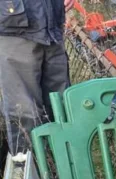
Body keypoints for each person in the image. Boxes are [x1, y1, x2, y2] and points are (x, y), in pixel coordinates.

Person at [0, 0, 75, 155]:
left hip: (51, 24)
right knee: (25, 112)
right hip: (14, 25)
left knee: (60, 104)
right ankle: (29, 165)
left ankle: (62, 164)